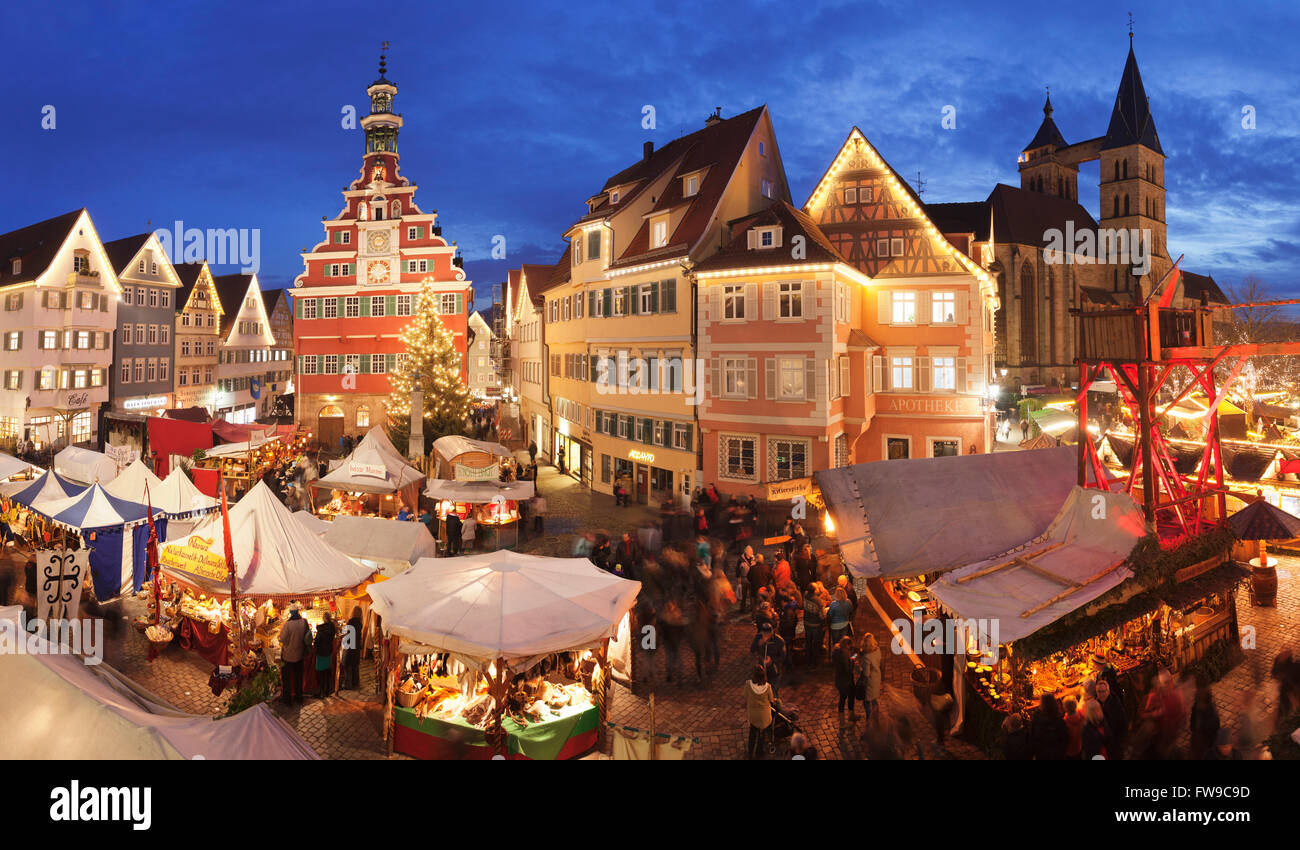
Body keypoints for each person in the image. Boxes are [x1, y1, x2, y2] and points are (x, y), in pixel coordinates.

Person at [278, 605, 308, 704]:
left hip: (288, 655)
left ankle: (287, 699)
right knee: (298, 677)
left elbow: (282, 639)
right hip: (300, 654)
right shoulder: (303, 622)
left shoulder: (288, 624)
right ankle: (299, 697)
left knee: (287, 679)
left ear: (291, 613)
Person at [745, 665, 776, 759]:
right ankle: (759, 752)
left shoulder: (748, 684)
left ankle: (750, 753)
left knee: (752, 734)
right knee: (761, 736)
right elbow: (771, 699)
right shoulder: (768, 687)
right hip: (764, 717)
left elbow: (745, 695)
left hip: (753, 715)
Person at [1095, 679, 1128, 760]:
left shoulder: (1115, 706)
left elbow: (1122, 725)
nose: (1101, 694)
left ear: (1108, 691)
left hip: (1116, 742)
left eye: (1103, 691)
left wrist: (1118, 742)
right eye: (1099, 692)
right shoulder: (1097, 704)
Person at [1029, 693, 1068, 760]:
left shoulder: (1037, 719)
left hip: (1042, 754)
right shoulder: (1059, 720)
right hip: (1056, 754)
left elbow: (1032, 738)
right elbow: (1064, 740)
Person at [1189, 678, 1220, 760]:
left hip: (1204, 744)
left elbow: (1214, 731)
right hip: (1200, 742)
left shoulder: (1210, 713)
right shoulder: (1197, 705)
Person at [752, 622, 786, 697]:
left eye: (768, 634)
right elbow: (752, 650)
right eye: (764, 634)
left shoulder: (779, 641)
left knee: (773, 693)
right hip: (761, 671)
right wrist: (758, 644)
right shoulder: (758, 637)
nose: (766, 637)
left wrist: (772, 660)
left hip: (774, 671)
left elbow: (783, 657)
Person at [857, 633, 882, 719]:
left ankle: (869, 718)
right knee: (874, 699)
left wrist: (858, 667)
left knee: (866, 701)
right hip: (877, 677)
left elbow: (866, 673)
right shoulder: (877, 650)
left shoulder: (866, 657)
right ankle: (876, 715)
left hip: (870, 682)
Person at [832, 636, 857, 720]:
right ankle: (847, 718)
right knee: (848, 697)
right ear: (847, 645)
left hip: (839, 680)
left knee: (843, 698)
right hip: (846, 681)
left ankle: (844, 718)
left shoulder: (837, 652)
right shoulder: (844, 655)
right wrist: (853, 659)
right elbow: (848, 670)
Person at [313, 613, 338, 699]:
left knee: (320, 673)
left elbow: (316, 643)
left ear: (323, 619)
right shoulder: (332, 629)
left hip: (321, 653)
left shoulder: (321, 630)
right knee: (327, 671)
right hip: (328, 652)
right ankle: (327, 690)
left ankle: (321, 692)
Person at [803, 585, 827, 667]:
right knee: (816, 643)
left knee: (808, 642)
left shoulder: (805, 596)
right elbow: (822, 615)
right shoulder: (818, 601)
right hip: (816, 625)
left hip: (806, 623)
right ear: (814, 591)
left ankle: (807, 660)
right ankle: (814, 662)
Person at [341, 608, 364, 690]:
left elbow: (344, 632)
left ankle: (348, 684)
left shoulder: (351, 622)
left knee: (347, 665)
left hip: (350, 646)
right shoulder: (360, 623)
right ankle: (355, 682)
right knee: (355, 665)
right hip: (356, 646)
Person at [737, 545, 757, 612]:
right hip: (744, 579)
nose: (752, 552)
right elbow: (737, 570)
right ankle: (742, 608)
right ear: (746, 552)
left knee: (752, 595)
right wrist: (739, 580)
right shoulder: (740, 560)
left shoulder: (754, 558)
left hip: (752, 579)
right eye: (750, 551)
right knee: (744, 595)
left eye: (752, 551)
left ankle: (752, 608)